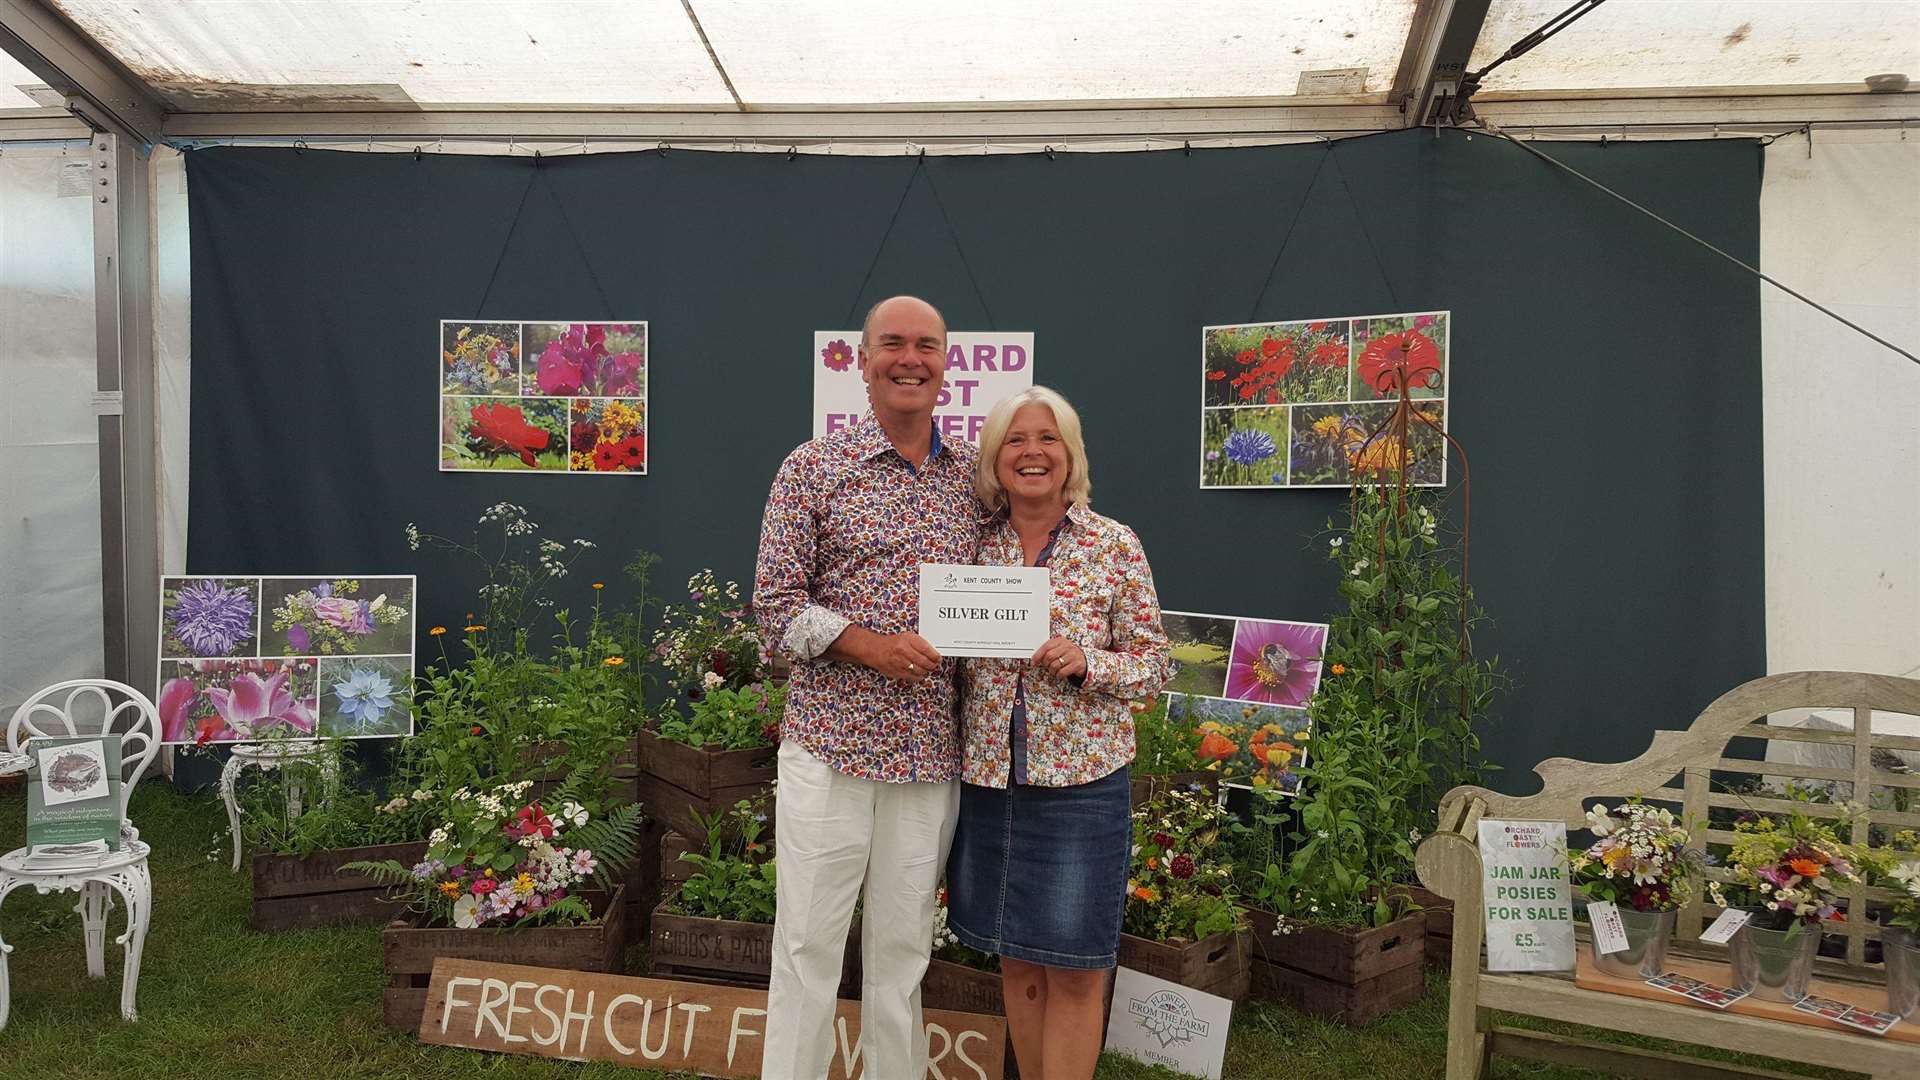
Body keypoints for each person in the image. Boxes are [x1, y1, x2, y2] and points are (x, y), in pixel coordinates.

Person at [752, 295, 982, 1080]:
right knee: (809, 946)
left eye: (926, 345)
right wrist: (867, 647)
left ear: (947, 365)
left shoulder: (973, 486)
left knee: (903, 953)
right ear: (861, 361)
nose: (910, 358)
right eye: (893, 344)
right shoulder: (813, 467)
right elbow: (775, 609)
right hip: (832, 748)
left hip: (927, 757)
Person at [946, 386, 1174, 1080]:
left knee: (1075, 970)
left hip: (1080, 787)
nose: (1032, 453)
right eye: (1015, 440)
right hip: (992, 784)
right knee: (1019, 962)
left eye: (1048, 439)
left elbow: (1154, 664)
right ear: (993, 458)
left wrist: (1087, 662)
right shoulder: (971, 547)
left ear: (1070, 455)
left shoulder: (1112, 544)